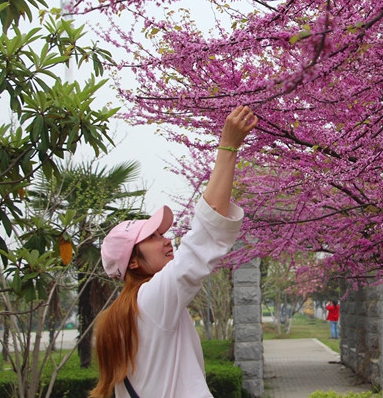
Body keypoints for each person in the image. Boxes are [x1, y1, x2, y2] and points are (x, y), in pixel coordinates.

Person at [89, 106, 257, 398]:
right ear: (132, 262)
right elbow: (203, 240)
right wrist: (228, 147)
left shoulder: (121, 316)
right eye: (152, 237)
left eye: (163, 233)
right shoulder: (150, 300)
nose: (166, 241)